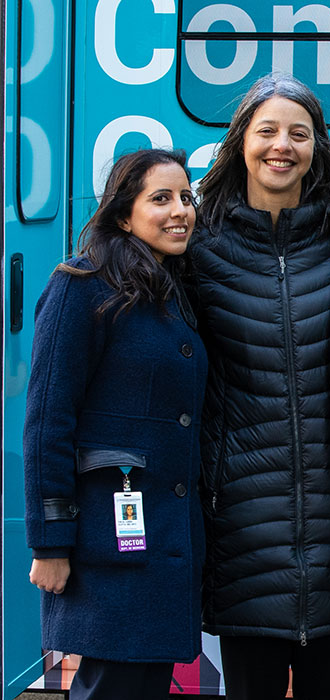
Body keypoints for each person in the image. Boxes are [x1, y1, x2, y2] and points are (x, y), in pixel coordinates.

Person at [191, 72, 330, 700]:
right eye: (267, 130)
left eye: (298, 134)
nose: (282, 145)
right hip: (240, 524)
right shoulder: (199, 248)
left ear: (317, 148)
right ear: (240, 142)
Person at [23, 148, 206, 700]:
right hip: (108, 542)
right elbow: (46, 423)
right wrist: (50, 544)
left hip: (162, 544)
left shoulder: (173, 291)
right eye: (161, 198)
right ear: (123, 215)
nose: (181, 211)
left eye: (186, 197)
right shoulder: (80, 286)